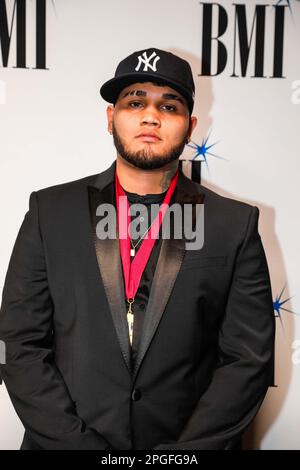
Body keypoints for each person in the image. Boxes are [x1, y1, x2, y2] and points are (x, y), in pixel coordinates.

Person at [0, 47, 275, 450]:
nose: (151, 116)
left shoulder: (233, 224)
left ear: (191, 124)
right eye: (134, 101)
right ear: (110, 119)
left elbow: (248, 361)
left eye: (169, 105)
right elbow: (18, 344)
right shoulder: (50, 212)